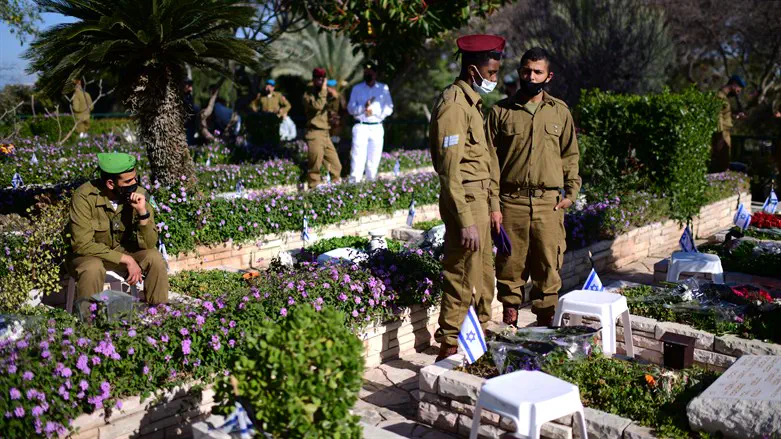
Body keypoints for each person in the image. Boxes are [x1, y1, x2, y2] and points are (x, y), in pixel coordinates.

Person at [485, 47, 581, 327]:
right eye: (526, 71)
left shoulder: (560, 112)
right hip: (511, 202)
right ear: (519, 72)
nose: (531, 76)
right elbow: (489, 161)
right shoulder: (500, 112)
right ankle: (510, 327)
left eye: (538, 72)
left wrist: (571, 193)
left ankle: (544, 329)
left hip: (548, 204)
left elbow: (570, 155)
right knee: (509, 266)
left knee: (548, 267)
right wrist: (493, 205)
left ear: (548, 76)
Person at [429, 34, 504, 361]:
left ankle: (478, 334)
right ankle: (448, 345)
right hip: (465, 201)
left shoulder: (472, 103)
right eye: (491, 73)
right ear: (473, 71)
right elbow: (449, 171)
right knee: (461, 275)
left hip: (480, 200)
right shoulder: (454, 106)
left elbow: (484, 160)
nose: (494, 79)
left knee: (483, 274)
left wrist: (493, 206)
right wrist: (465, 220)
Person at [68, 153, 169, 305]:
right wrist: (127, 260)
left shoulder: (139, 195)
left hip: (121, 250)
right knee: (92, 268)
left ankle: (159, 311)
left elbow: (149, 245)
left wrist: (142, 213)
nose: (134, 183)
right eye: (128, 181)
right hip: (89, 255)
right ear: (110, 183)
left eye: (135, 178)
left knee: (154, 258)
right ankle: (88, 317)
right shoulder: (84, 197)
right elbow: (82, 245)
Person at [347, 61, 394, 182]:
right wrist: (363, 108)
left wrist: (377, 114)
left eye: (371, 72)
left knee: (374, 157)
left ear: (375, 73)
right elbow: (350, 108)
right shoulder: (357, 88)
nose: (368, 74)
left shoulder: (383, 88)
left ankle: (371, 182)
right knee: (357, 156)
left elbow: (389, 107)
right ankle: (354, 183)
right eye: (366, 72)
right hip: (361, 125)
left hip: (376, 126)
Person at [303, 68, 342, 188]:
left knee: (336, 166)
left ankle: (336, 190)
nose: (321, 81)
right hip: (315, 134)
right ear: (313, 79)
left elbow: (333, 109)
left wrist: (335, 97)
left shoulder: (324, 93)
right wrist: (324, 90)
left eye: (322, 79)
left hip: (326, 133)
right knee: (315, 167)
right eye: (318, 79)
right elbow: (318, 106)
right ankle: (313, 189)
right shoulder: (308, 95)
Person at [711, 75, 746, 172]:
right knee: (720, 165)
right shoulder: (719, 96)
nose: (739, 91)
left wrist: (735, 116)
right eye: (739, 87)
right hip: (721, 135)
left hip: (725, 134)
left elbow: (724, 115)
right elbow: (717, 116)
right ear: (734, 84)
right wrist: (720, 137)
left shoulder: (725, 98)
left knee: (724, 164)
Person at [183, 79, 200, 146]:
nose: (191, 89)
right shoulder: (180, 95)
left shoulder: (189, 96)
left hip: (190, 124)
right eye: (189, 86)